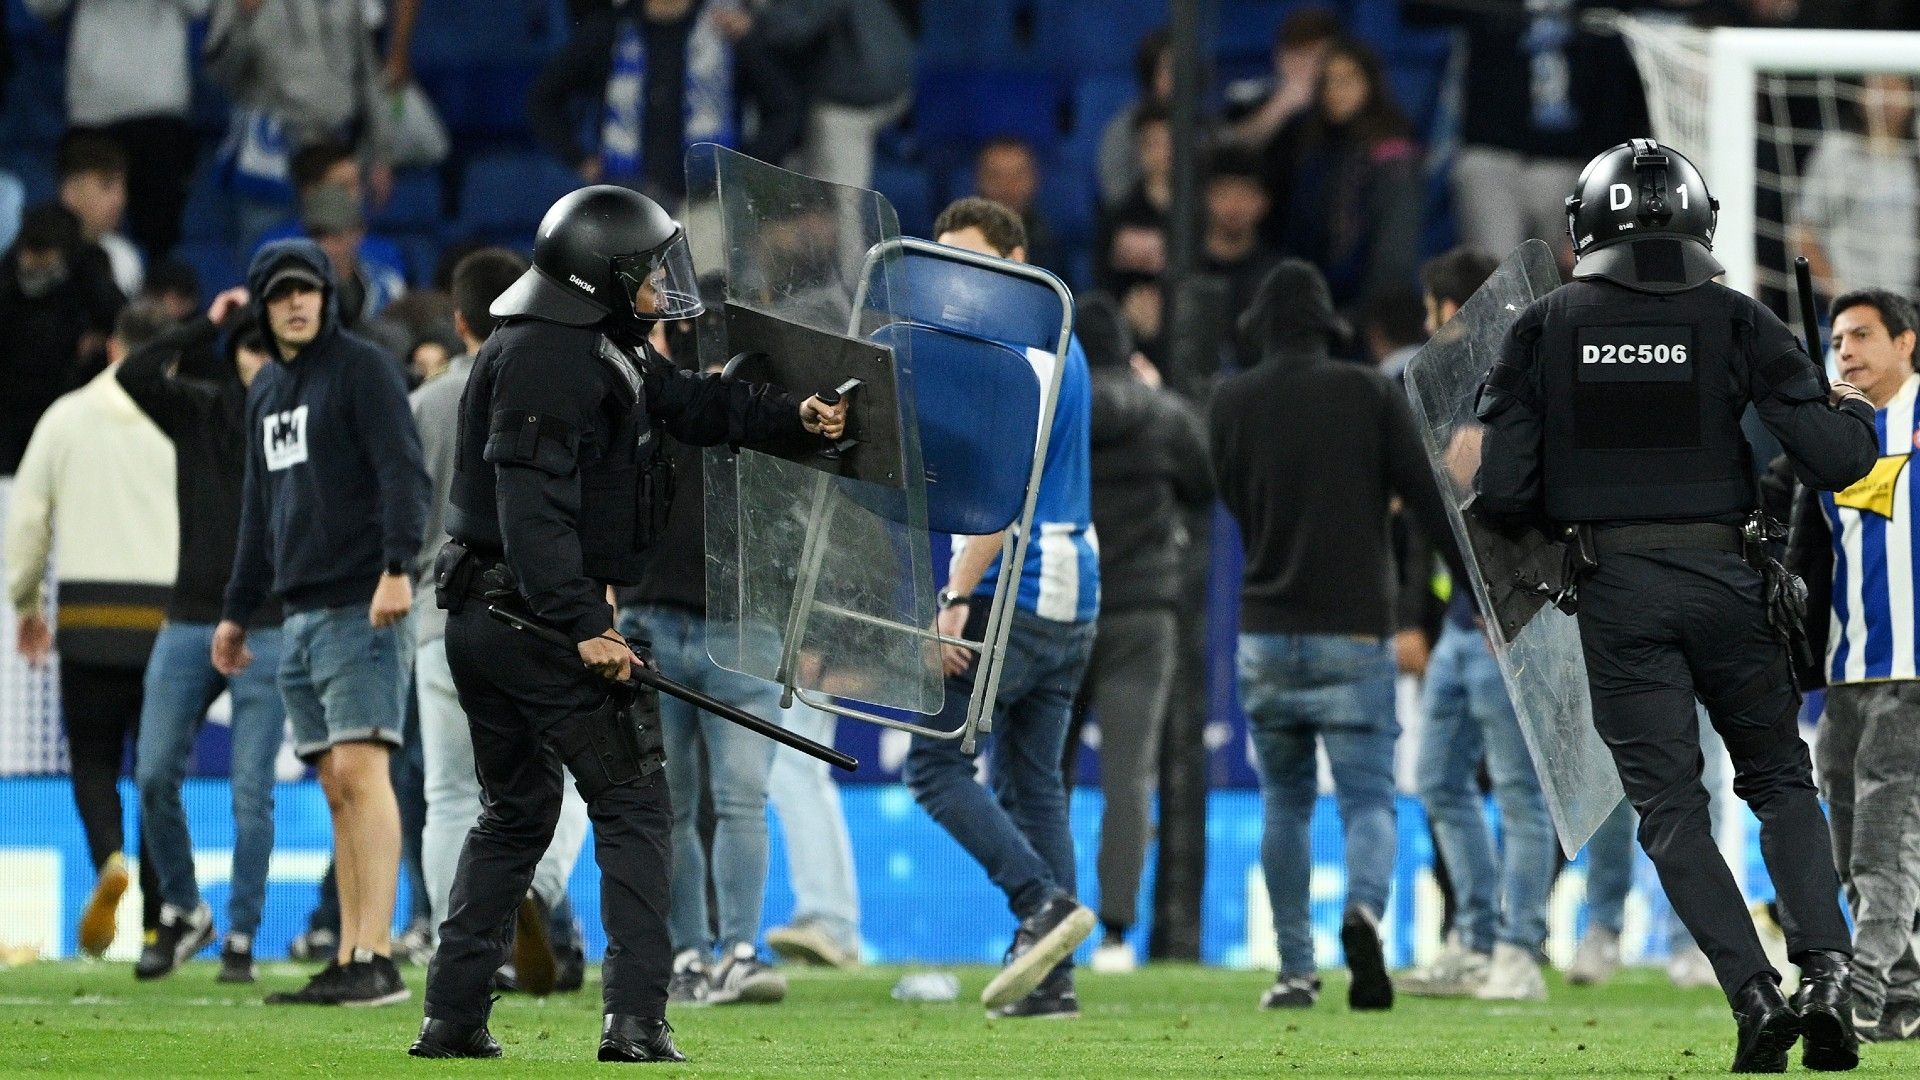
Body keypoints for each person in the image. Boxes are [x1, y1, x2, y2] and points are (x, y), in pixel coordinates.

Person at [410, 184, 845, 1062]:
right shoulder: (547, 358)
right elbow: (530, 511)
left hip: (494, 616)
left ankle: (453, 1018)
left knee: (517, 813)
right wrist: (584, 624)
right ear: (599, 275)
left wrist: (791, 420)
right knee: (637, 804)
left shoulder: (590, 345)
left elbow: (688, 402)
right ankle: (636, 1021)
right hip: (530, 619)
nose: (660, 286)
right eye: (646, 271)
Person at [1474, 138, 1873, 1072]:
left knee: (1669, 810)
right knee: (1779, 781)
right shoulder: (1738, 317)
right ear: (1699, 219)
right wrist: (1849, 406)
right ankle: (1826, 976)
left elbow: (1500, 493)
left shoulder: (1542, 326)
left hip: (1617, 592)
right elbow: (1840, 462)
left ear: (1585, 225)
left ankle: (1752, 998)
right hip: (1733, 582)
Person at [1209, 258, 1463, 1013]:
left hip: (1264, 631)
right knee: (1369, 801)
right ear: (1326, 327)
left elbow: (1230, 498)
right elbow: (1427, 500)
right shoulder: (1368, 392)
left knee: (1284, 803)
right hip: (1355, 633)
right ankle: (1362, 913)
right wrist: (1474, 594)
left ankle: (1294, 971)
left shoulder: (1229, 400)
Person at [216, 238, 431, 1007]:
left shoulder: (363, 368)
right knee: (338, 780)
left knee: (363, 772)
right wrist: (239, 610)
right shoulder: (268, 390)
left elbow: (404, 469)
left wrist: (398, 564)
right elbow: (259, 510)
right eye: (281, 295)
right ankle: (350, 953)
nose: (297, 304)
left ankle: (375, 954)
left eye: (307, 290)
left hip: (361, 600)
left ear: (328, 297)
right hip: (300, 610)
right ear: (261, 306)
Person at [903, 197, 1100, 1021]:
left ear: (1017, 261)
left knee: (936, 763)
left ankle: (1037, 904)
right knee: (1036, 785)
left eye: (974, 261)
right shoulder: (1065, 344)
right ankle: (1053, 978)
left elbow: (1002, 495)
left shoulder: (1011, 352)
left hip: (1008, 588)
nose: (958, 280)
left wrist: (952, 600)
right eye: (945, 262)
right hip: (1077, 585)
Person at [410, 247, 593, 996]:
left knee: (451, 794)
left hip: (439, 616)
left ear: (457, 321)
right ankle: (535, 895)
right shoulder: (556, 387)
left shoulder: (423, 403)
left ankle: (461, 950)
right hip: (538, 617)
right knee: (572, 782)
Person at [1398, 249, 1557, 1003]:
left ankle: (1520, 953)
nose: (1426, 325)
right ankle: (1475, 936)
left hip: (1508, 622)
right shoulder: (1447, 390)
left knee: (1520, 795)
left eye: (1433, 309)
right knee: (1437, 780)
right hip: (1463, 626)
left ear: (1448, 308)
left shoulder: (1523, 381)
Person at [120, 288, 285, 984]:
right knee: (154, 772)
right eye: (244, 346)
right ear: (230, 354)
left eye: (264, 347)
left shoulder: (298, 422)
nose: (254, 361)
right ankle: (186, 909)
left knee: (251, 790)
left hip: (270, 621)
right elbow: (133, 372)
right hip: (190, 615)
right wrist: (203, 321)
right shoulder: (199, 411)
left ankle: (242, 932)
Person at [6, 302, 178, 959]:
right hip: (166, 622)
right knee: (161, 773)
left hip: (86, 619)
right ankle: (162, 925)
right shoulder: (184, 420)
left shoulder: (67, 416)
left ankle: (110, 857)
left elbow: (26, 522)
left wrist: (26, 606)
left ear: (111, 347)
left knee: (94, 760)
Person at [1786, 287, 1920, 1044]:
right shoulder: (1832, 444)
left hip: (1916, 667)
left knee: (1883, 839)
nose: (1846, 351)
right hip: (1848, 674)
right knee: (1847, 842)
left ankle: (1857, 993)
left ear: (1906, 344)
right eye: (1837, 340)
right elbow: (1808, 560)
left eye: (1862, 336)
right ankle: (1905, 995)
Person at [1069, 292, 1211, 975]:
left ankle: (1044, 915)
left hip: (1065, 604)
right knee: (1129, 779)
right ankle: (1118, 935)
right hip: (1143, 612)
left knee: (1044, 770)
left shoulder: (1058, 407)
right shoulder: (1161, 413)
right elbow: (1208, 478)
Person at [1403, 0, 1649, 272]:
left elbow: (1617, 97)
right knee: (1497, 274)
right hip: (1492, 155)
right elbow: (1416, 11)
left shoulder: (1595, 11)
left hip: (1566, 163)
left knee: (1567, 274)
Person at [528, 0, 802, 205]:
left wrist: (746, 169)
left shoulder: (725, 30)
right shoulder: (609, 30)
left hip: (710, 202)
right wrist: (579, 159)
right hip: (628, 201)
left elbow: (784, 108)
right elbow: (543, 99)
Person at [24, 0, 204, 260]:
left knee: (159, 244)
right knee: (78, 238)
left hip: (160, 112)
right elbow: (41, 6)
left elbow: (200, 6)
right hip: (92, 111)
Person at [1260, 36, 1420, 315]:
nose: (1336, 91)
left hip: (1365, 307)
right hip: (1309, 301)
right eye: (1328, 81)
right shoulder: (1308, 146)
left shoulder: (1393, 154)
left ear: (1370, 84)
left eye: (1348, 79)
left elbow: (1393, 249)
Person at [731, 0, 914, 191]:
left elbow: (799, 23)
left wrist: (754, 23)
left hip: (853, 98)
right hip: (891, 80)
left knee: (837, 204)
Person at [0, 205, 125, 475]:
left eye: (42, 256)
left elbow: (120, 319)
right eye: (28, 253)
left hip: (70, 398)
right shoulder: (8, 276)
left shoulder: (87, 271)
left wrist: (100, 339)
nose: (30, 263)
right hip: (11, 406)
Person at [1793, 75, 1919, 300]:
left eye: (1895, 87)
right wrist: (1839, 295)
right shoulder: (1837, 152)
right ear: (1861, 96)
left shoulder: (1913, 155)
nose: (1887, 98)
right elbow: (1803, 233)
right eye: (1878, 87)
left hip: (1901, 304)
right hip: (1846, 303)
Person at [1222, 6, 1340, 152]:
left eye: (1316, 58)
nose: (1305, 68)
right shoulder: (1248, 98)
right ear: (1279, 57)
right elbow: (1227, 149)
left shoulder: (1343, 102)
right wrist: (1280, 107)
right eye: (1297, 57)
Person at [56, 133, 142, 297]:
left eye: (122, 186)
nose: (119, 199)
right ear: (70, 192)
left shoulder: (124, 258)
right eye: (106, 186)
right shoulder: (40, 254)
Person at [1097, 29, 1171, 210]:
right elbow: (1115, 192)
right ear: (1150, 74)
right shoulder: (1124, 128)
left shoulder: (1203, 125)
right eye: (1169, 69)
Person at [974, 137, 1060, 277]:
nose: (1007, 187)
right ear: (979, 180)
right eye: (996, 176)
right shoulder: (957, 240)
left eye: (1018, 175)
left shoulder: (1049, 245)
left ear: (1034, 180)